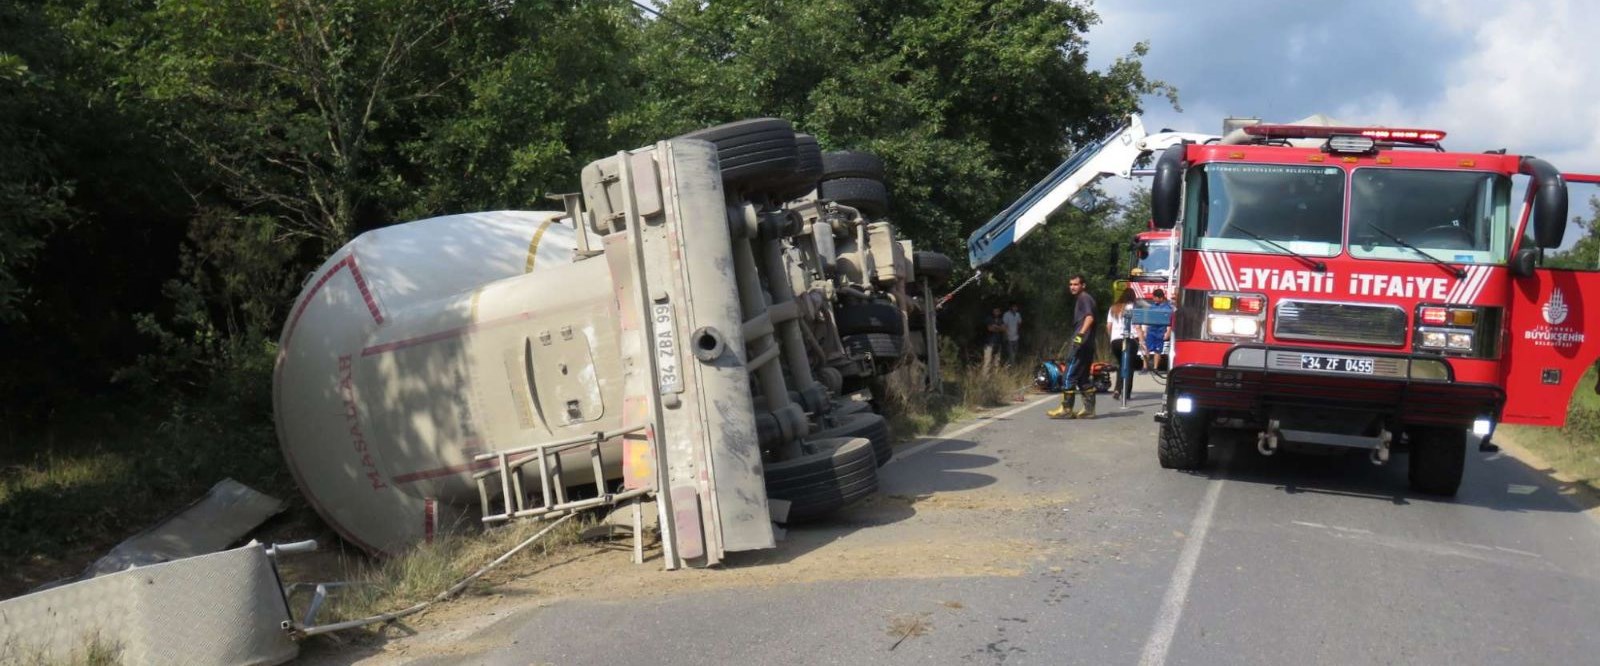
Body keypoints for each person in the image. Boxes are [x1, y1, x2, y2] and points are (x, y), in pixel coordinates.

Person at [1047, 275, 1098, 419]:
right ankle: (1089, 410)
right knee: (1083, 379)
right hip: (1088, 344)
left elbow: (1089, 318)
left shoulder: (1084, 298)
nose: (1072, 287)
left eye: (1076, 284)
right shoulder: (1085, 298)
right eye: (1070, 284)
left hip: (1081, 343)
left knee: (1068, 376)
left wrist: (1080, 335)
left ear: (1083, 285)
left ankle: (1066, 409)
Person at [1106, 287, 1139, 401]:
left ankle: (1117, 389)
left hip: (1115, 340)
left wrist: (1112, 337)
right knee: (1129, 366)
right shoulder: (1133, 308)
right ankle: (1126, 392)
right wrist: (1143, 341)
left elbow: (1109, 326)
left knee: (1121, 364)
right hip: (1130, 339)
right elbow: (1137, 326)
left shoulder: (1113, 308)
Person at [1141, 289, 1173, 372]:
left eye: (1155, 297)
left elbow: (1170, 322)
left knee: (1157, 350)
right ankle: (1145, 367)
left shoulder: (1168, 308)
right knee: (1147, 349)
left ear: (1161, 298)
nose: (1153, 299)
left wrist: (1168, 332)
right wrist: (1145, 331)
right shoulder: (1152, 307)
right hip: (1151, 331)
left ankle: (1155, 368)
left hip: (1160, 332)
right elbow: (1148, 319)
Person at [982, 307, 1005, 373]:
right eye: (995, 311)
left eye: (998, 311)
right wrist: (999, 328)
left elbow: (1004, 329)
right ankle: (985, 379)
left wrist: (996, 327)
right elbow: (990, 328)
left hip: (998, 343)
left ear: (1000, 312)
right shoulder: (989, 318)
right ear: (993, 311)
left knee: (996, 362)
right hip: (988, 343)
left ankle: (995, 378)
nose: (996, 312)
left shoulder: (1001, 320)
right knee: (987, 362)